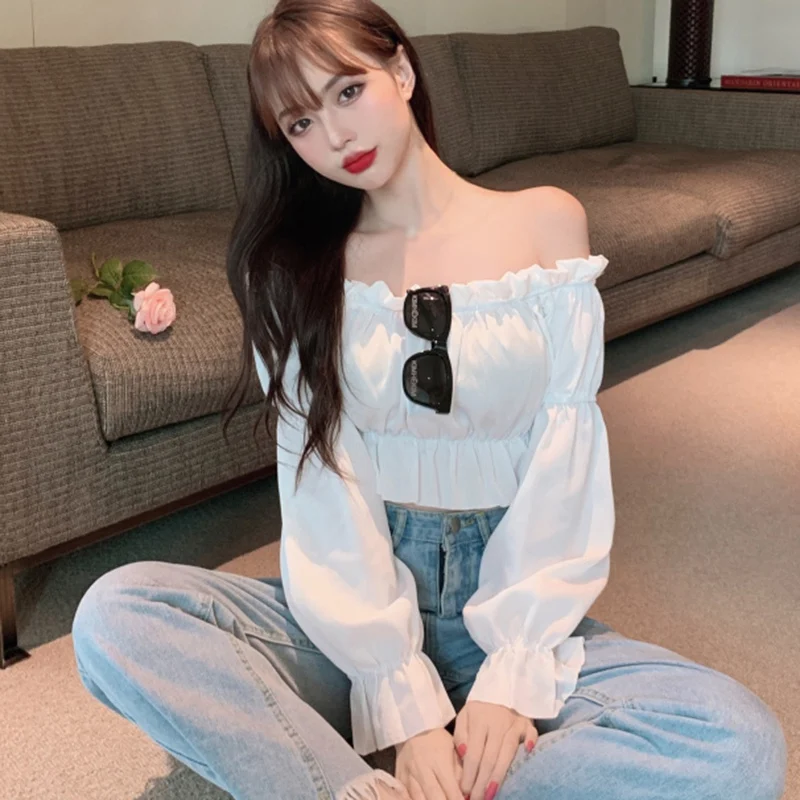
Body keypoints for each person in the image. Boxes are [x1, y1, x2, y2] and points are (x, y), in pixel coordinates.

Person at [71, 1, 788, 799]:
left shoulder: (546, 221)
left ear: (402, 70)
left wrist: (511, 677)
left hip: (504, 609)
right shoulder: (296, 270)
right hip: (350, 624)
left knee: (736, 743)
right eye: (301, 123)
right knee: (118, 615)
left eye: (348, 91)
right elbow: (323, 491)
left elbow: (565, 464)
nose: (335, 135)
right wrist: (402, 703)